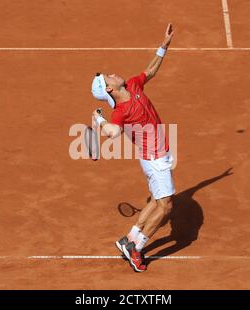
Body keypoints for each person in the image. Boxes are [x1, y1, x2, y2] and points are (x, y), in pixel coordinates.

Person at [90, 24, 175, 272]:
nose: (114, 74)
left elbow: (149, 71)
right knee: (166, 206)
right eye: (109, 77)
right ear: (109, 89)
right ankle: (136, 249)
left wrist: (164, 46)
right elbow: (114, 132)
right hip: (154, 157)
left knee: (157, 200)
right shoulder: (120, 112)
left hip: (159, 153)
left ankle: (130, 237)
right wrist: (100, 120)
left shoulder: (133, 86)